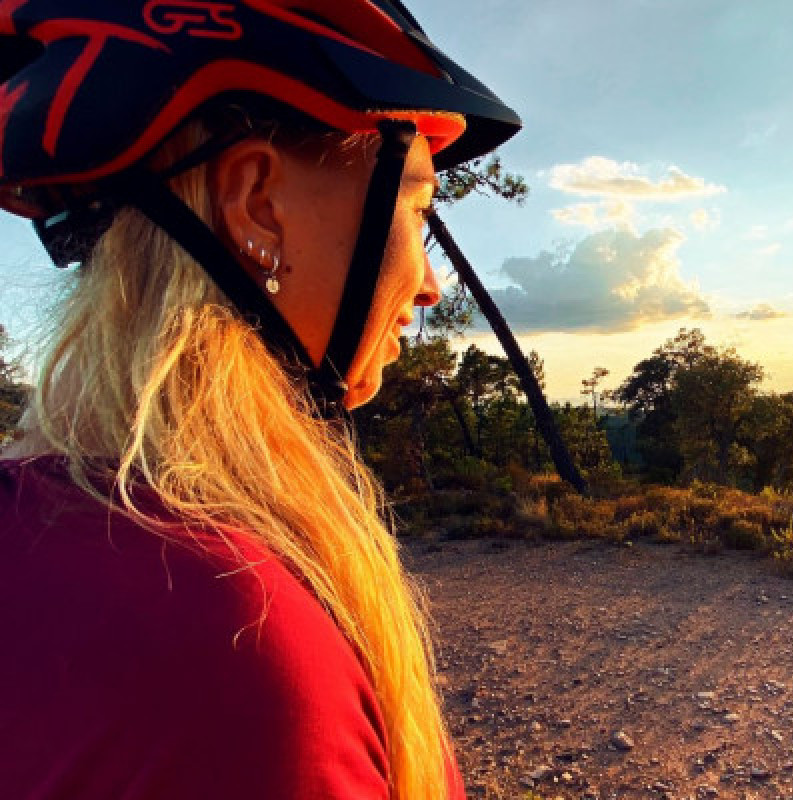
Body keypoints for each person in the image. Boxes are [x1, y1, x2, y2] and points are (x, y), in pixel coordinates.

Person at [0, 2, 520, 798]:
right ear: (258, 205)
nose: (428, 283)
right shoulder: (231, 630)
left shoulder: (39, 525)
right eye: (416, 207)